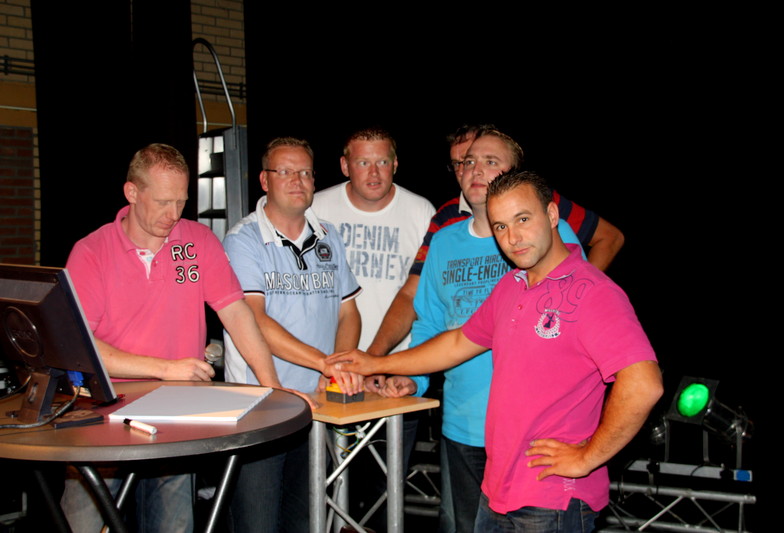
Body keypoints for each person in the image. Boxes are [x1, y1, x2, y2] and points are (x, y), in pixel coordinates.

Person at [328, 169, 663, 532]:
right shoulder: (511, 285)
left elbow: (644, 385)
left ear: (552, 215)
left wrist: (587, 457)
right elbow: (456, 343)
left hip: (552, 498)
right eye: (500, 226)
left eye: (523, 219)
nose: (512, 238)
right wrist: (376, 362)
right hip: (497, 489)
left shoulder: (593, 292)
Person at [61, 143, 287, 533]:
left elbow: (236, 314)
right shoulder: (92, 252)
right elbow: (81, 346)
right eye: (163, 202)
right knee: (85, 521)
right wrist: (166, 368)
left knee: (174, 524)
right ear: (132, 192)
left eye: (181, 201)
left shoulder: (197, 241)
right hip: (103, 410)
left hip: (175, 413)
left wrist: (272, 387)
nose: (173, 214)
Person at [378, 130, 584, 532]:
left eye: (491, 161)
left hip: (537, 435)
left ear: (515, 174)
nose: (476, 169)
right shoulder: (443, 242)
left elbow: (581, 322)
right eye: (469, 161)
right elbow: (431, 324)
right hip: (463, 426)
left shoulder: (548, 235)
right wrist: (415, 379)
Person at [368, 123, 625, 357]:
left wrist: (577, 296)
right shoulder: (445, 225)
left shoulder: (544, 208)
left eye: (488, 161)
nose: (471, 171)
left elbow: (607, 242)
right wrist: (383, 363)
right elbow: (426, 309)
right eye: (462, 163)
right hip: (461, 379)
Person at [222, 136, 362, 533]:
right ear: (264, 180)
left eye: (305, 172)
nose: (297, 181)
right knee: (258, 523)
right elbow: (253, 320)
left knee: (305, 521)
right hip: (259, 409)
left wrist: (336, 367)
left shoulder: (329, 235)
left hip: (317, 408)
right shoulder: (243, 239)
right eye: (285, 171)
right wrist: (323, 362)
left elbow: (349, 312)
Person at [313, 127, 434, 355]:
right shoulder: (316, 209)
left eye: (382, 162)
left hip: (397, 358)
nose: (374, 173)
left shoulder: (421, 212)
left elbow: (426, 295)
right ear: (345, 166)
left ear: (395, 164)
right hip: (326, 356)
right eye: (363, 163)